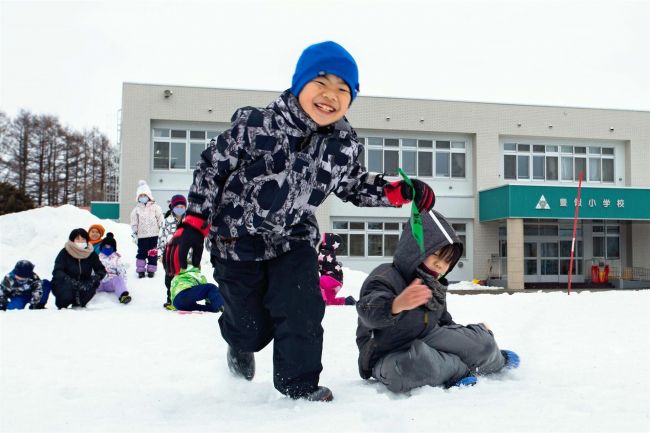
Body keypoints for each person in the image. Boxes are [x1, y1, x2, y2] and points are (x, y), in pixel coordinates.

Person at [165, 41, 435, 402]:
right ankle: (239, 343)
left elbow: (353, 184)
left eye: (343, 89)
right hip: (236, 240)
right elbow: (211, 169)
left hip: (293, 239)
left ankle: (300, 384)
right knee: (250, 328)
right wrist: (194, 223)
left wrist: (397, 192)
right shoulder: (255, 125)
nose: (330, 95)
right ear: (299, 84)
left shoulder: (344, 143)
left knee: (303, 308)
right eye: (321, 83)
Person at [356, 209, 520, 394]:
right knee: (406, 369)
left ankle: (495, 358)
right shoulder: (385, 276)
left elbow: (445, 322)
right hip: (388, 350)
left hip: (429, 336)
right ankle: (456, 370)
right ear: (414, 249)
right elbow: (367, 311)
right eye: (435, 255)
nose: (441, 265)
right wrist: (396, 305)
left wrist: (468, 341)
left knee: (483, 345)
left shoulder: (434, 285)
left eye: (447, 261)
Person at [51, 228, 107, 309]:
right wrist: (69, 281)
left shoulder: (91, 253)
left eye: (83, 238)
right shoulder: (64, 252)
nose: (81, 241)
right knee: (65, 291)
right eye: (77, 238)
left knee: (93, 283)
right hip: (65, 284)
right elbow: (57, 271)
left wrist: (95, 278)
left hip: (83, 285)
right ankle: (63, 303)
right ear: (72, 240)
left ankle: (80, 302)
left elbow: (101, 269)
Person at [130, 180, 163, 278]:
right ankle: (140, 269)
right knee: (141, 253)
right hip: (142, 236)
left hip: (154, 235)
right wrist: (135, 231)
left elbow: (160, 218)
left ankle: (151, 269)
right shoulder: (136, 210)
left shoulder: (155, 207)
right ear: (138, 197)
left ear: (149, 196)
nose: (143, 197)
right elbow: (134, 221)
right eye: (140, 196)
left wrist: (161, 227)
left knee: (153, 253)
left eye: (144, 195)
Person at [159, 194, 187, 308]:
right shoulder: (166, 222)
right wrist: (160, 254)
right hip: (170, 256)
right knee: (169, 279)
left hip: (184, 256)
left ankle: (182, 299)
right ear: (172, 207)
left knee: (183, 279)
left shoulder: (189, 222)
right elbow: (161, 238)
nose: (180, 209)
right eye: (177, 206)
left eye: (182, 206)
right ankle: (170, 299)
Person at [318, 233, 355, 306]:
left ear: (328, 243)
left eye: (323, 241)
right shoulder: (329, 253)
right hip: (337, 282)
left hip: (331, 278)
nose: (322, 242)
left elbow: (314, 262)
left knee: (317, 281)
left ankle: (322, 301)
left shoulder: (324, 252)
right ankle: (347, 301)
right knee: (330, 301)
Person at [97, 233, 132, 304]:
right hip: (99, 282)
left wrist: (121, 284)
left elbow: (122, 272)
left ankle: (123, 295)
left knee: (118, 278)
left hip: (111, 283)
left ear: (113, 248)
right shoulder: (97, 257)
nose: (107, 247)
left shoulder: (117, 258)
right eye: (105, 246)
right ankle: (81, 296)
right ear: (102, 246)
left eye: (109, 246)